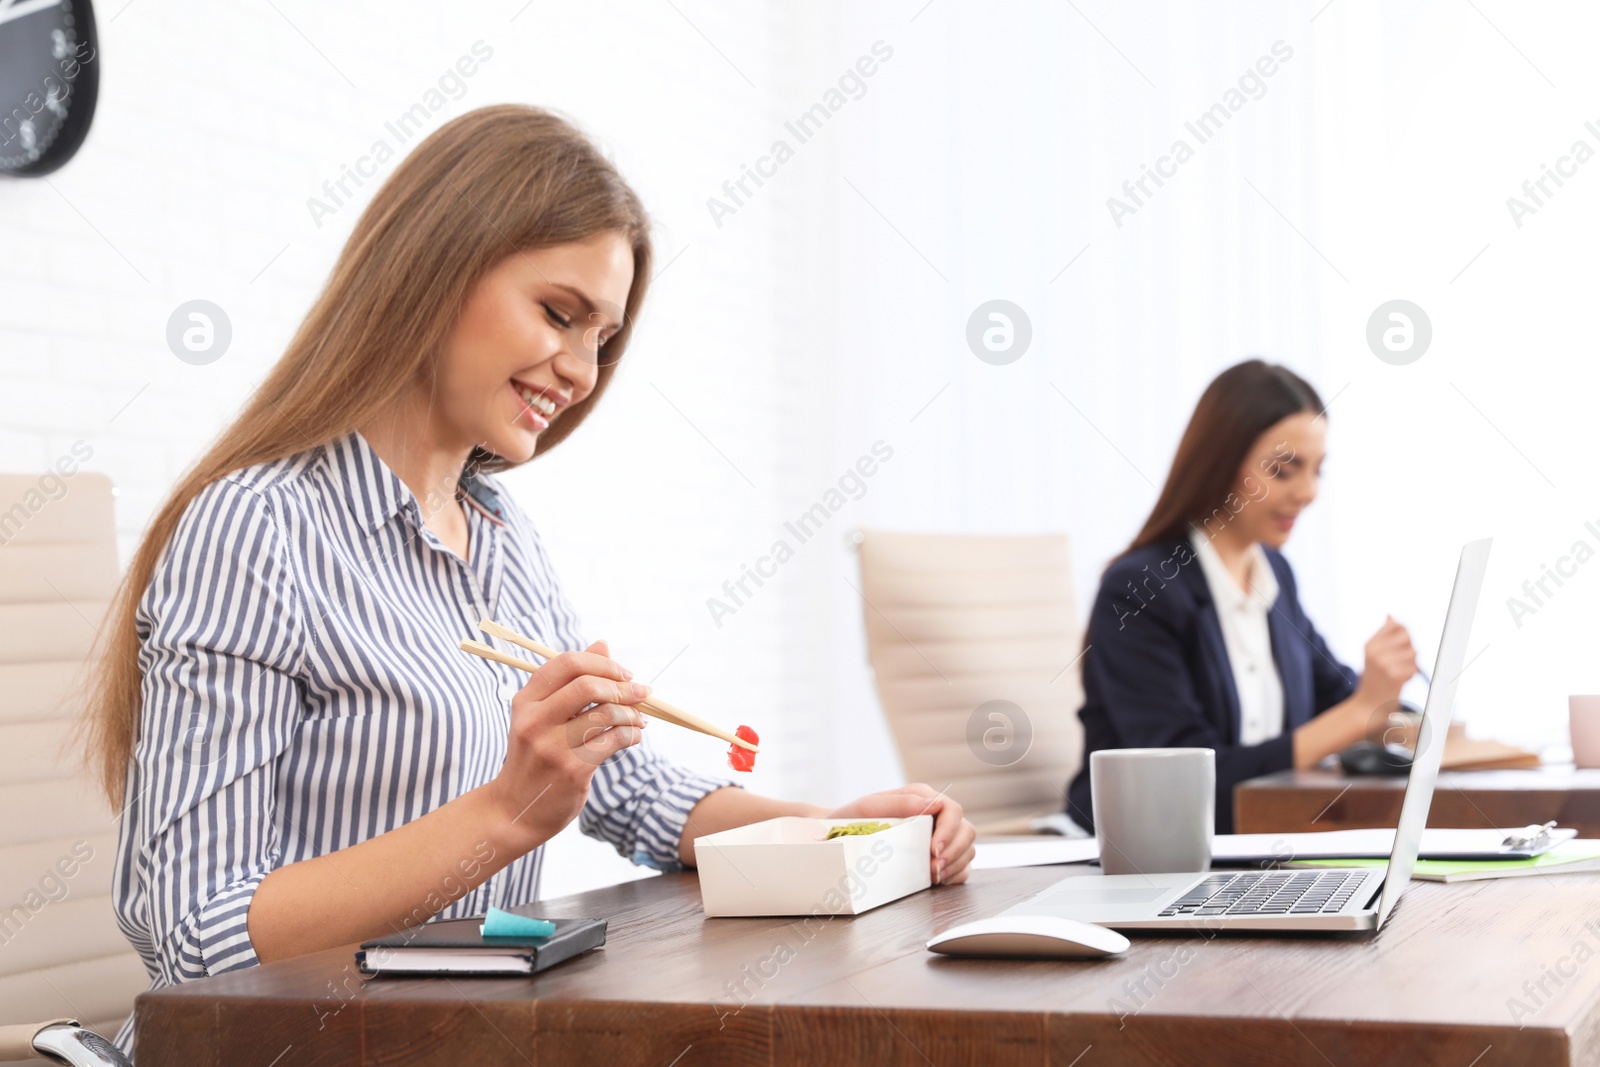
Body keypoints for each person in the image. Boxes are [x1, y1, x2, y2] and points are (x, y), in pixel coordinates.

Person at [89, 105, 975, 1055]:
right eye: (558, 314)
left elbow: (627, 786)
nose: (581, 370)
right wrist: (507, 810)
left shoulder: (501, 539)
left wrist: (832, 829)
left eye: (601, 336)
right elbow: (193, 938)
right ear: (435, 267)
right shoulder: (254, 527)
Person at [1065, 360, 1418, 834]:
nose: (1308, 492)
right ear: (1221, 461)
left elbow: (1332, 694)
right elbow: (1187, 787)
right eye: (1283, 470)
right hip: (1154, 853)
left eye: (1317, 471)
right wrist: (1360, 714)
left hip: (1261, 847)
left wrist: (1385, 702)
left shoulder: (1273, 575)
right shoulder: (1140, 589)